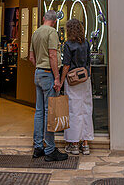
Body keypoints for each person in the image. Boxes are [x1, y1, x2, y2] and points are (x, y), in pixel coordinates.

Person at [29, 10, 68, 162]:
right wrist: (57, 77)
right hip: (48, 73)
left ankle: (38, 147)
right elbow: (53, 55)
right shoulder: (52, 32)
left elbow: (31, 57)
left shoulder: (35, 33)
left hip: (38, 73)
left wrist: (39, 67)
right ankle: (50, 150)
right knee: (49, 112)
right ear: (55, 21)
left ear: (44, 18)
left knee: (39, 111)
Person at [60, 18, 94, 155]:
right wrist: (87, 76)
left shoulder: (68, 44)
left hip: (72, 81)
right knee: (86, 109)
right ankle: (85, 144)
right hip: (85, 80)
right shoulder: (86, 43)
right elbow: (89, 62)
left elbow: (66, 65)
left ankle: (74, 144)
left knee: (74, 111)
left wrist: (61, 81)